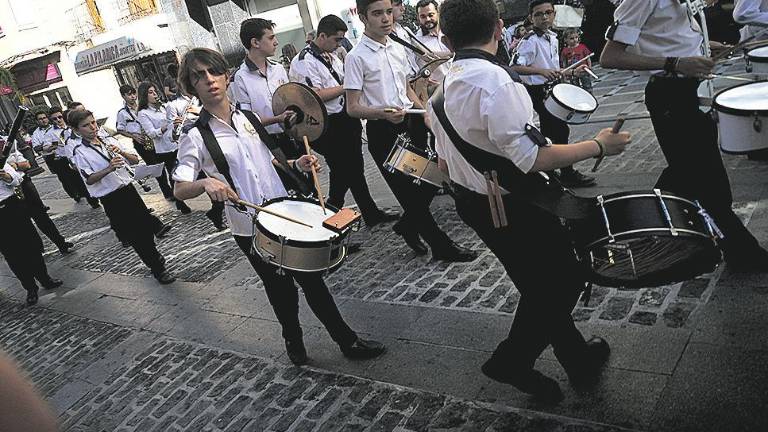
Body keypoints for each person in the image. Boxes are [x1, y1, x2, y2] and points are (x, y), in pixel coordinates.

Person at [430, 0, 631, 401]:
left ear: (447, 39)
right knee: (563, 281)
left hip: (474, 202)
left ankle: (576, 357)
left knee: (537, 285)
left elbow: (442, 159)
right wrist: (598, 145)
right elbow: (532, 158)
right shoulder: (498, 83)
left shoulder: (441, 85)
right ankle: (513, 360)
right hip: (512, 206)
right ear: (500, 28)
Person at [173, 47, 386, 365]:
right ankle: (293, 339)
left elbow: (269, 160)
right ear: (191, 87)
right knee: (279, 289)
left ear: (226, 76)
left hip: (284, 213)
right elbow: (179, 189)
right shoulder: (195, 136)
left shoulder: (248, 119)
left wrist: (297, 163)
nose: (208, 80)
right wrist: (205, 183)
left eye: (213, 72)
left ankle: (347, 341)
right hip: (250, 226)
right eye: (198, 76)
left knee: (312, 280)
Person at [600, 0, 768, 272]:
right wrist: (676, 63)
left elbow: (668, 35)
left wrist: (704, 47)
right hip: (670, 96)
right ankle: (743, 252)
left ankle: (653, 226)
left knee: (695, 173)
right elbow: (610, 57)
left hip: (692, 90)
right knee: (705, 179)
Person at [345, 0, 477, 262]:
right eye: (377, 14)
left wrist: (424, 112)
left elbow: (406, 88)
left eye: (387, 12)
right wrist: (380, 113)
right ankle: (441, 246)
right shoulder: (355, 57)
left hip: (411, 121)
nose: (386, 18)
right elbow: (352, 107)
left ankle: (407, 226)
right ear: (362, 17)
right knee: (409, 194)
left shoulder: (396, 48)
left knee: (433, 179)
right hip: (384, 132)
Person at [289, 15, 400, 226]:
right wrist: (349, 86)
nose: (338, 44)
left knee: (355, 168)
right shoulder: (304, 61)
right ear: (322, 36)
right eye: (336, 39)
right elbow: (313, 94)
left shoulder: (332, 56)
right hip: (327, 124)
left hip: (345, 118)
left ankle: (368, 212)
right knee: (343, 171)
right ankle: (332, 214)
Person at [69, 109, 175, 284]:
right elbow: (89, 179)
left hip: (129, 191)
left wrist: (122, 153)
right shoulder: (80, 151)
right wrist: (109, 168)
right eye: (86, 126)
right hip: (111, 198)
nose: (92, 128)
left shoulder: (108, 140)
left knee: (145, 230)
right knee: (136, 236)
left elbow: (134, 160)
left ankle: (153, 256)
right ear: (76, 130)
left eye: (93, 122)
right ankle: (157, 268)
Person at [512, 0, 596, 188]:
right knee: (555, 130)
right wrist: (540, 72)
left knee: (557, 130)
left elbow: (553, 69)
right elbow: (515, 67)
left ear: (554, 14)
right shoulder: (529, 41)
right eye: (539, 14)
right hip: (538, 90)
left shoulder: (553, 37)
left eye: (548, 12)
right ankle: (560, 173)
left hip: (553, 87)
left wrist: (572, 72)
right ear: (531, 18)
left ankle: (554, 172)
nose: (544, 17)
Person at [232, 18, 299, 158]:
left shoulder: (279, 69)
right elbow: (246, 120)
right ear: (255, 42)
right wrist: (277, 119)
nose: (276, 42)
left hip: (292, 136)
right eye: (270, 38)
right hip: (266, 143)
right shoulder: (241, 77)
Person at [0, 157, 63, 305]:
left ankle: (45, 278)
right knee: (11, 254)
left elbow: (16, 179)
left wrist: (5, 176)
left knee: (31, 245)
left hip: (12, 206)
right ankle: (30, 288)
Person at [166, 87, 227, 230]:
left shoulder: (204, 99)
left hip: (212, 142)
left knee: (220, 180)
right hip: (191, 146)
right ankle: (217, 214)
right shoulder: (173, 105)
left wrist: (198, 112)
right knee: (208, 183)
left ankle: (216, 213)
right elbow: (172, 134)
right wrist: (176, 127)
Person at [137, 81, 192, 214]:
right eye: (150, 92)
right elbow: (151, 133)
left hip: (176, 143)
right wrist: (164, 126)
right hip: (164, 149)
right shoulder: (143, 113)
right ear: (144, 95)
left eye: (155, 91)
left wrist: (177, 122)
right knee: (174, 174)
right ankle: (180, 200)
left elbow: (174, 121)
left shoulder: (164, 107)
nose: (154, 94)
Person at [44, 106, 101, 208]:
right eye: (55, 119)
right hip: (64, 159)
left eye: (60, 117)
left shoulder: (74, 126)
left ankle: (94, 197)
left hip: (83, 154)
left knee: (87, 177)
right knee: (75, 181)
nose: (58, 120)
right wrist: (53, 146)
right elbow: (46, 147)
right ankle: (83, 197)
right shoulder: (50, 133)